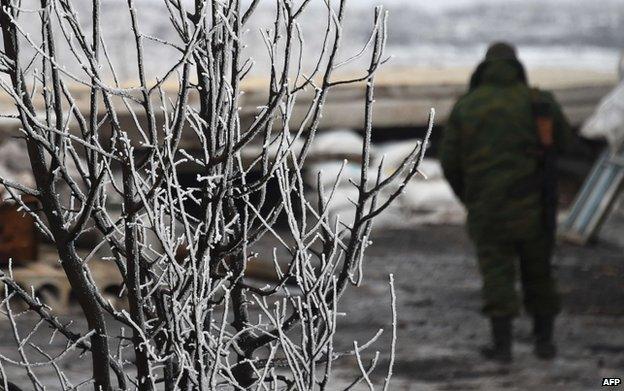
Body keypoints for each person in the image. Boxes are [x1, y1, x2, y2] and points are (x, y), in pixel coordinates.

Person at [439, 42, 572, 363]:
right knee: (539, 272)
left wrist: (469, 196)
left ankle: (502, 347)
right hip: (535, 205)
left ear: (484, 68)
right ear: (517, 68)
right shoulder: (539, 102)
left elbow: (448, 161)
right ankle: (545, 343)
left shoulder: (466, 106)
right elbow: (567, 145)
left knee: (497, 273)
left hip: (488, 208)